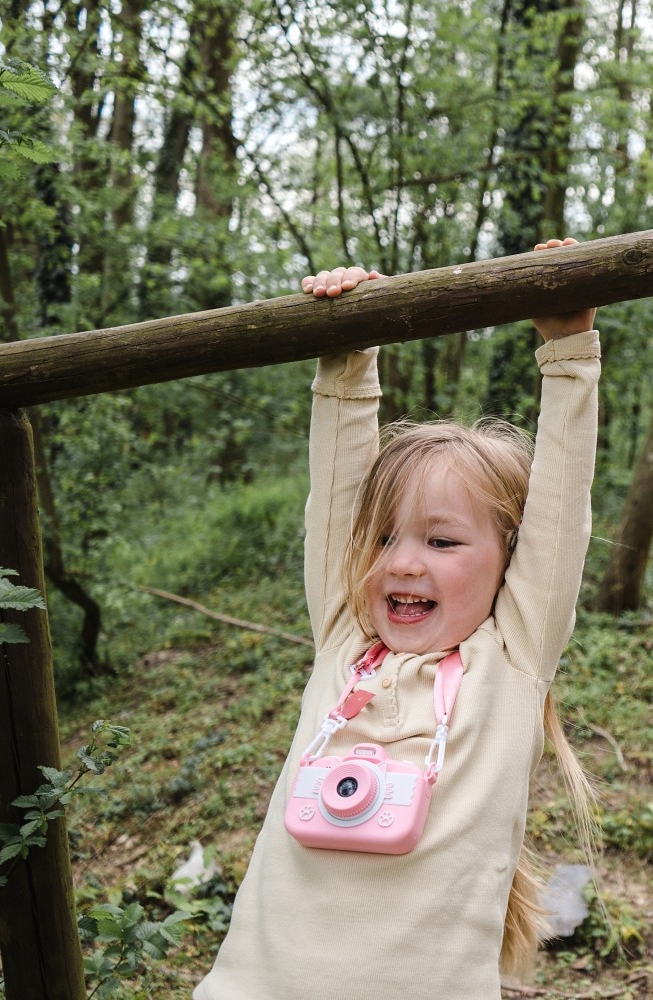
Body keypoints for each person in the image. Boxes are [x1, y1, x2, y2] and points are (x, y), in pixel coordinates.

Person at [196, 239, 600, 998]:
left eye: (442, 541)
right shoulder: (346, 640)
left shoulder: (511, 661)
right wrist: (348, 359)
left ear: (512, 561)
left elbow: (560, 509)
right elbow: (338, 496)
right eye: (386, 538)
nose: (404, 562)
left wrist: (569, 350)